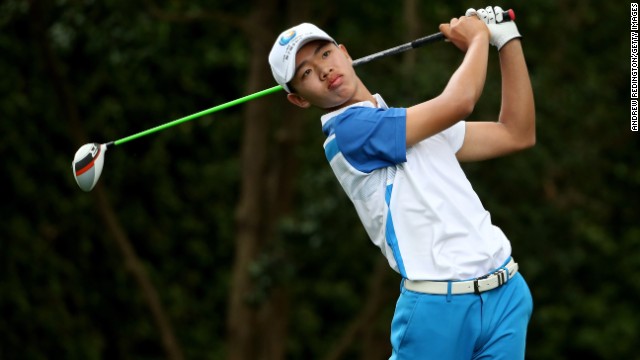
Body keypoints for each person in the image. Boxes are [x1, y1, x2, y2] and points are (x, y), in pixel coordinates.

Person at [268, 5, 535, 359]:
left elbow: (515, 133)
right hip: (438, 308)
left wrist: (506, 39)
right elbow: (460, 102)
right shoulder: (349, 134)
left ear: (345, 53)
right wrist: (478, 38)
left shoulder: (407, 123)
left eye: (326, 54)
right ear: (299, 99)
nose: (324, 70)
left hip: (506, 293)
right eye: (306, 73)